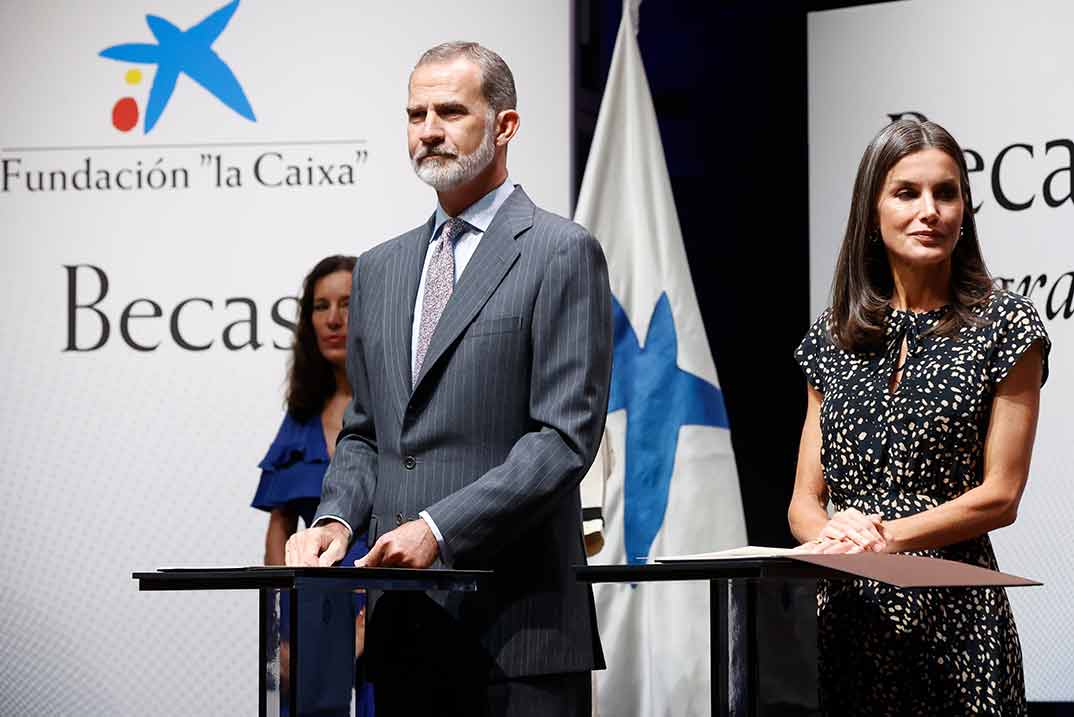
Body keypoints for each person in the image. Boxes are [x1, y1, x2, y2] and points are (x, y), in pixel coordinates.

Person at [284, 41, 613, 717]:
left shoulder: (560, 252)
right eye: (416, 113)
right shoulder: (378, 268)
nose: (428, 128)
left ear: (505, 126)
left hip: (519, 635)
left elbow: (561, 439)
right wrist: (336, 518)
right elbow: (367, 432)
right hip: (404, 632)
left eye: (450, 110)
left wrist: (438, 527)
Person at [788, 119, 1049, 715]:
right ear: (872, 213)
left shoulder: (1006, 326)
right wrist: (834, 534)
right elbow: (804, 503)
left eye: (946, 192)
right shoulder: (832, 336)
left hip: (960, 625)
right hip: (850, 623)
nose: (930, 210)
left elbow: (1001, 497)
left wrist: (885, 538)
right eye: (907, 193)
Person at [252, 254, 373, 716]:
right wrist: (280, 634)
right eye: (321, 306)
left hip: (391, 599)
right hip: (312, 612)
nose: (334, 319)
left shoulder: (400, 406)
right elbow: (279, 527)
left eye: (347, 303)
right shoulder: (300, 415)